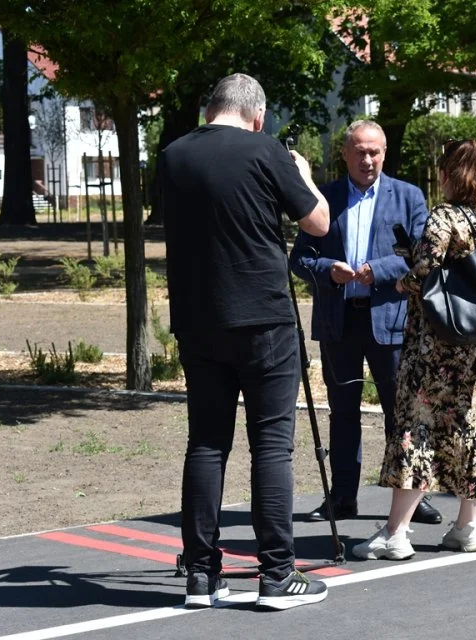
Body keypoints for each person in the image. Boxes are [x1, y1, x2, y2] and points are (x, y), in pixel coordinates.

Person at [159, 73, 331, 610]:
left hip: (198, 317)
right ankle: (277, 574)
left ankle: (202, 575)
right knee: (272, 445)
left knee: (207, 445)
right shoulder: (266, 150)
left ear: (212, 108)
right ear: (257, 114)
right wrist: (303, 174)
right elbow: (319, 222)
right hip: (262, 317)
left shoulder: (172, 156)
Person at [352, 139, 476, 561]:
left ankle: (395, 533)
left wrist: (402, 283)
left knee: (415, 421)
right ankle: (467, 527)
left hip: (438, 340)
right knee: (471, 420)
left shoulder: (444, 217)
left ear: (447, 174)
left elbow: (422, 272)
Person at [290, 120, 439, 525]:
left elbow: (421, 253)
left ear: (384, 153)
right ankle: (342, 497)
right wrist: (327, 269)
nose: (367, 159)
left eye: (374, 152)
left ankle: (412, 497)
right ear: (345, 154)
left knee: (403, 413)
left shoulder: (407, 196)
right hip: (340, 323)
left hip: (389, 322)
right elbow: (299, 258)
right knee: (343, 413)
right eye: (359, 151)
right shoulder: (324, 198)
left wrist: (380, 269)